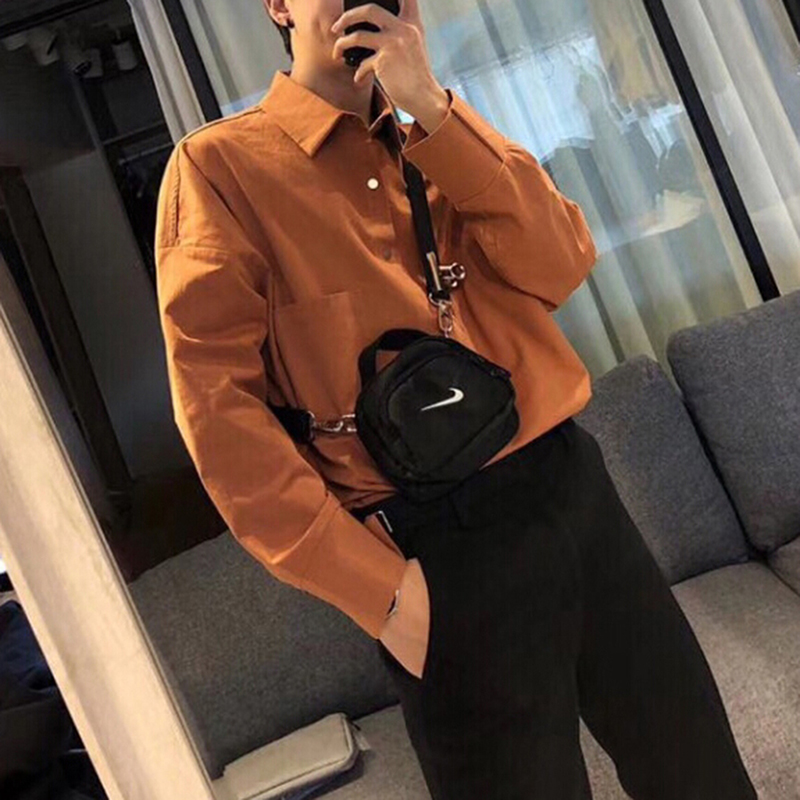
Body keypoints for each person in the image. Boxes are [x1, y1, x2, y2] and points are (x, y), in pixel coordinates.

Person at [154, 1, 759, 798]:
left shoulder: (439, 137)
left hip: (572, 489)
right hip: (435, 549)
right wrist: (382, 595)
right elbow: (220, 422)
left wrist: (433, 107)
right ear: (277, 4)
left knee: (698, 770)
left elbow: (562, 263)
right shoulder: (221, 171)